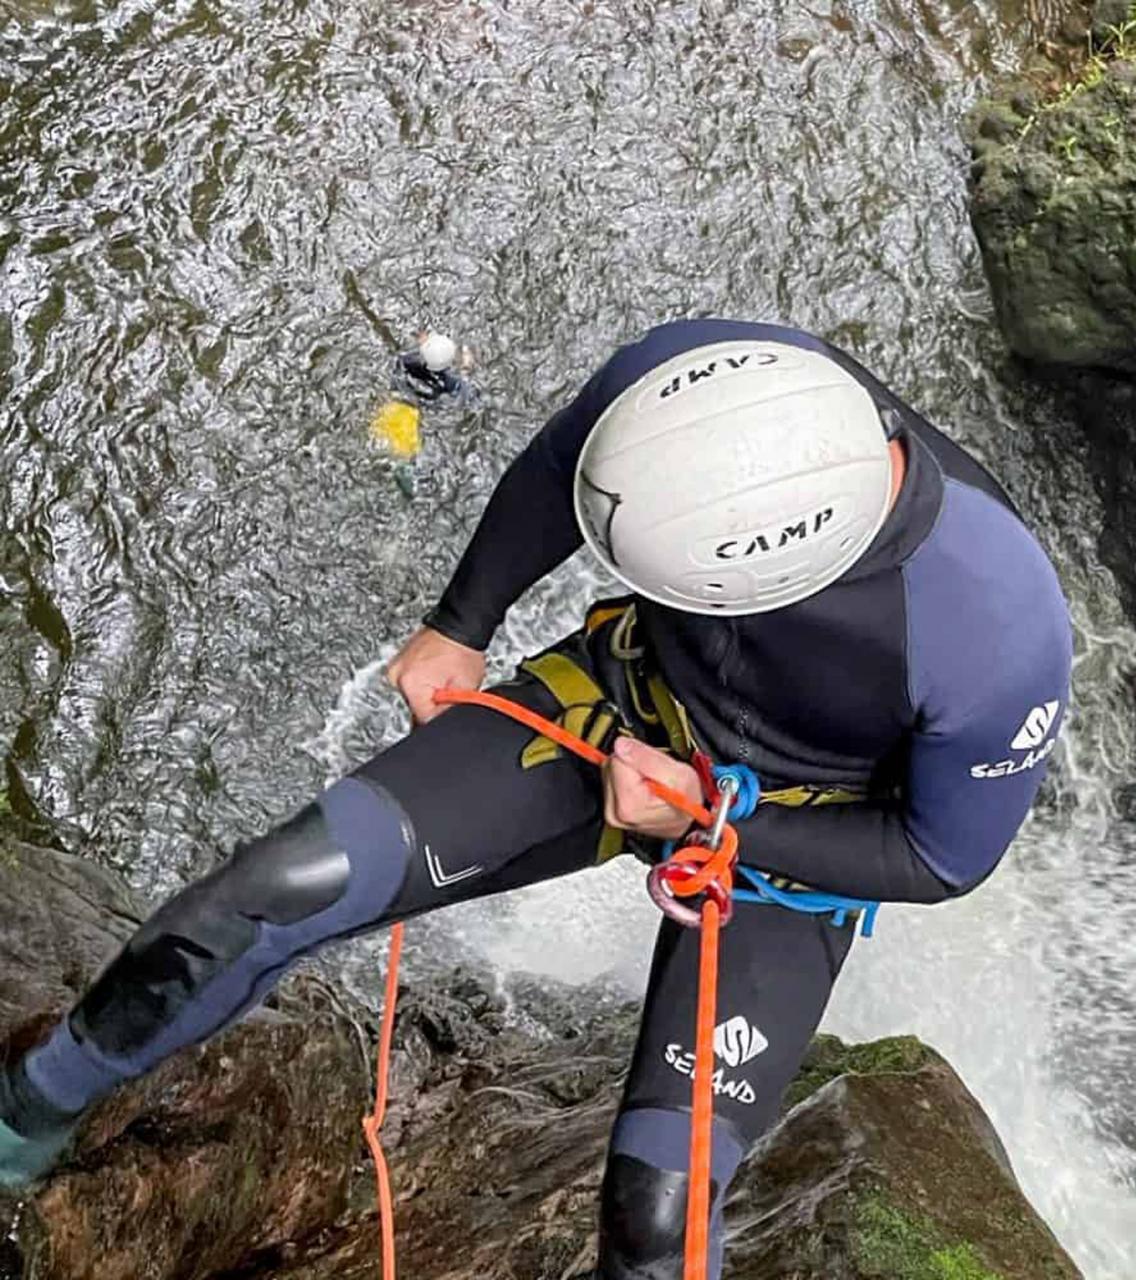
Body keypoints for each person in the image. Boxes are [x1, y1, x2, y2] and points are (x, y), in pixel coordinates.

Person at [0, 319, 1074, 1279]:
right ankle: (25, 1114)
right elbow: (570, 454)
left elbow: (942, 856)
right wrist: (461, 623)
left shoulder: (995, 627)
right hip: (626, 698)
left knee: (653, 1218)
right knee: (270, 890)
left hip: (795, 825)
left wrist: (712, 816)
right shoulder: (696, 385)